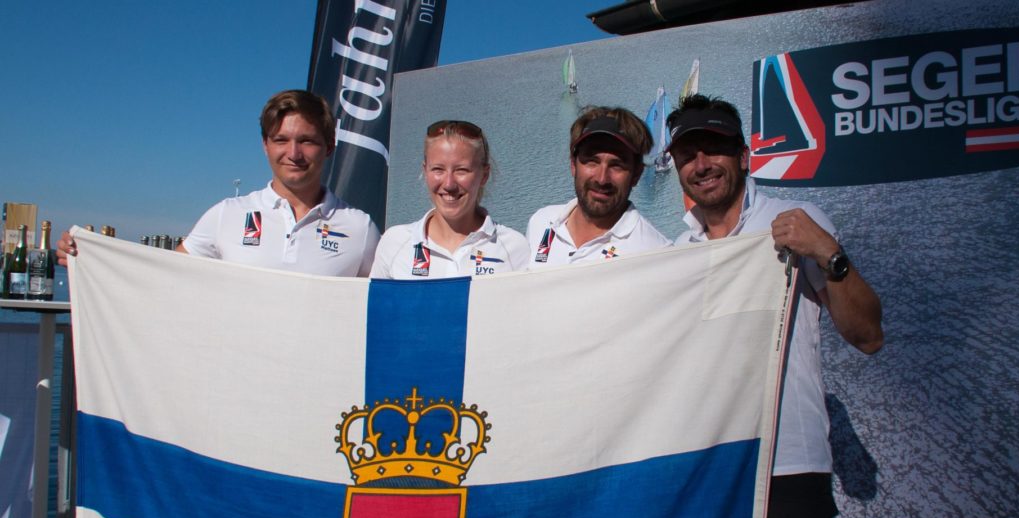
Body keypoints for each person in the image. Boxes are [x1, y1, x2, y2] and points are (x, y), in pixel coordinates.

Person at [665, 94, 883, 518]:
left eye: (714, 147)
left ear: (743, 154)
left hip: (787, 466)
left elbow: (868, 336)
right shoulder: (676, 253)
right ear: (677, 167)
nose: (702, 162)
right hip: (707, 471)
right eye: (689, 152)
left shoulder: (796, 222)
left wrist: (828, 254)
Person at [58, 90, 380, 277]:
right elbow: (160, 276)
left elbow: (389, 311)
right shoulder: (227, 214)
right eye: (281, 140)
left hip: (320, 386)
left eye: (306, 141)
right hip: (235, 384)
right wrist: (89, 260)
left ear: (329, 146)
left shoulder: (359, 227)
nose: (293, 153)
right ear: (265, 145)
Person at [370, 120, 527, 278]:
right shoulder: (395, 243)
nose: (449, 184)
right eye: (438, 169)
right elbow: (373, 303)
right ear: (425, 171)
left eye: (461, 170)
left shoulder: (514, 248)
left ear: (484, 175)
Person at [526, 106, 670, 268]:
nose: (602, 179)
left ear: (636, 174)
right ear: (573, 165)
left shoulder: (657, 253)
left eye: (617, 165)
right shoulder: (541, 222)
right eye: (592, 161)